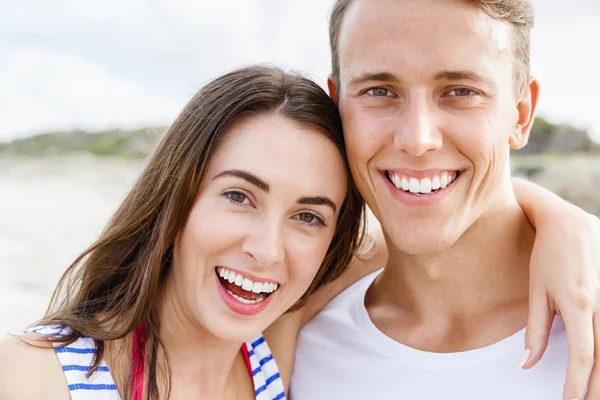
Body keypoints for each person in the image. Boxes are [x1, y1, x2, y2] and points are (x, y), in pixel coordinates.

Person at [290, 0, 600, 399]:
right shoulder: (296, 335)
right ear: (338, 110)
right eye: (379, 91)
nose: (417, 140)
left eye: (460, 91)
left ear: (521, 113)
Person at [0, 66, 365, 399]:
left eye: (307, 217)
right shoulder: (32, 376)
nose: (267, 250)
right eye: (238, 196)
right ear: (176, 200)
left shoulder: (272, 341)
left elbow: (406, 241)